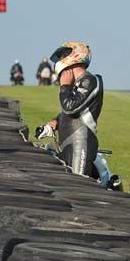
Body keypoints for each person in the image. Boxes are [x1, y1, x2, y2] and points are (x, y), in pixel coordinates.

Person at [36, 42, 103, 177]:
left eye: (63, 56)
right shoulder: (77, 83)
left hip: (81, 142)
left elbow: (70, 107)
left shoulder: (90, 80)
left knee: (77, 184)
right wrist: (54, 122)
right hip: (68, 142)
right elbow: (72, 113)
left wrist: (65, 86)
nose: (60, 61)